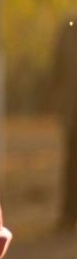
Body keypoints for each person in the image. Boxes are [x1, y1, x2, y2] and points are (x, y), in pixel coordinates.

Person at [50, 16, 77, 232]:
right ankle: (69, 214)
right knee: (71, 163)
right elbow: (57, 70)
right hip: (73, 107)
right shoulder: (68, 29)